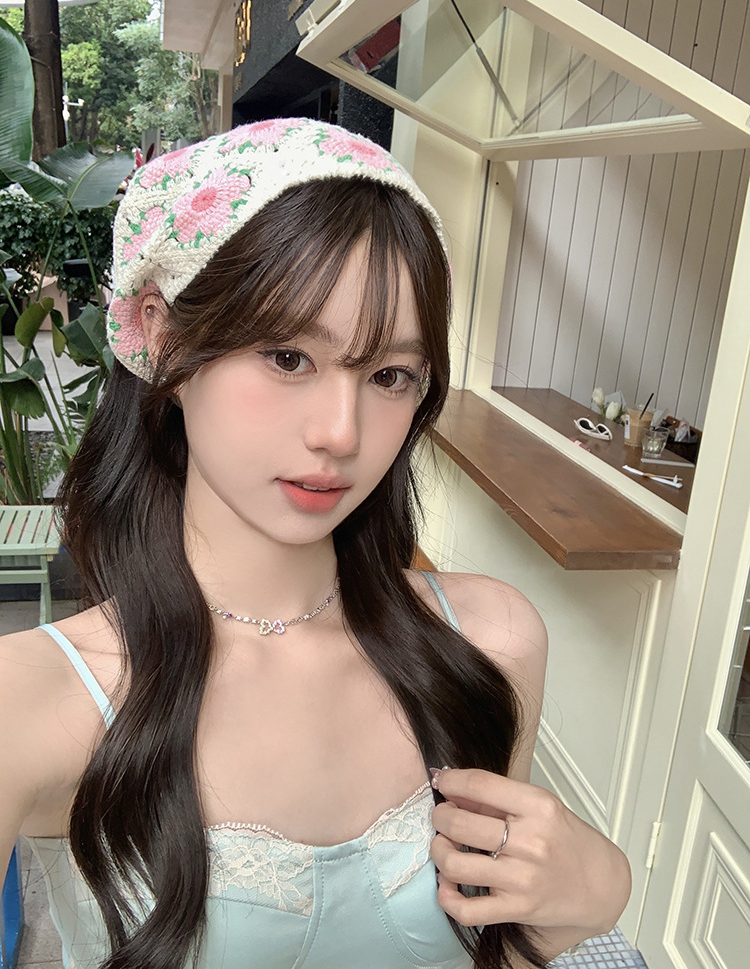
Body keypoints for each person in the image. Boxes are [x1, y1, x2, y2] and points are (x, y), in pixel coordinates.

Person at [0, 118, 630, 969]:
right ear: (165, 336)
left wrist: (581, 911)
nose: (341, 433)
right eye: (288, 357)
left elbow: (490, 943)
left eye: (389, 376)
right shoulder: (31, 703)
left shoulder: (489, 643)